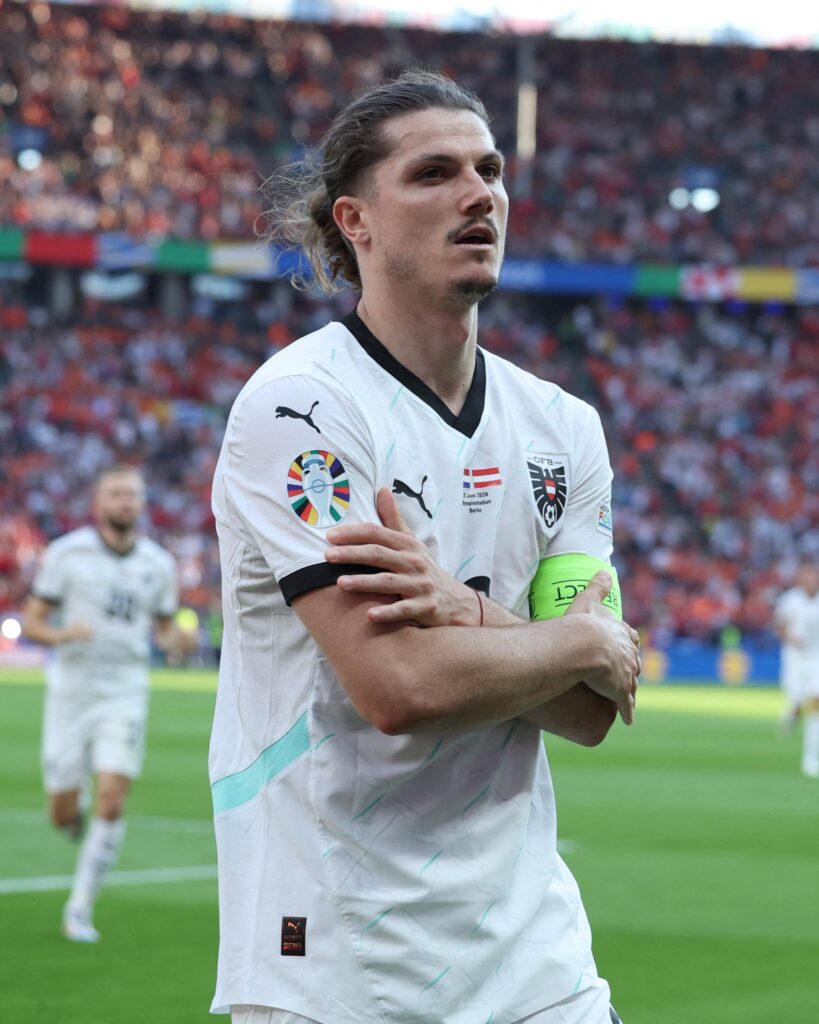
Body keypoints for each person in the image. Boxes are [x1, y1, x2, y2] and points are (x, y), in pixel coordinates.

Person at [210, 70, 640, 1024]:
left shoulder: (563, 429)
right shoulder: (301, 410)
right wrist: (575, 640)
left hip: (540, 966)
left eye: (488, 170)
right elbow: (400, 689)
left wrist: (468, 611)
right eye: (434, 172)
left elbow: (588, 714)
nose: (478, 192)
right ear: (355, 220)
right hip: (340, 964)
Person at [22, 464, 196, 942]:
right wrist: (61, 633)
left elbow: (163, 628)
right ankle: (71, 812)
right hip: (72, 692)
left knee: (114, 795)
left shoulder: (158, 564)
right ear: (99, 503)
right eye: (116, 494)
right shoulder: (66, 554)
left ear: (142, 504)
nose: (125, 502)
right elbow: (33, 620)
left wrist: (177, 640)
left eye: (133, 495)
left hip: (125, 690)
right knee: (62, 812)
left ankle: (80, 907)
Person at [773, 562, 819, 776]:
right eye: (808, 576)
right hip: (795, 658)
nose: (812, 580)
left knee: (816, 703)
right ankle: (793, 713)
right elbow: (778, 625)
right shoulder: (790, 600)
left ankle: (810, 758)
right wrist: (789, 636)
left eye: (815, 576)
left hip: (816, 658)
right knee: (798, 699)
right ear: (801, 578)